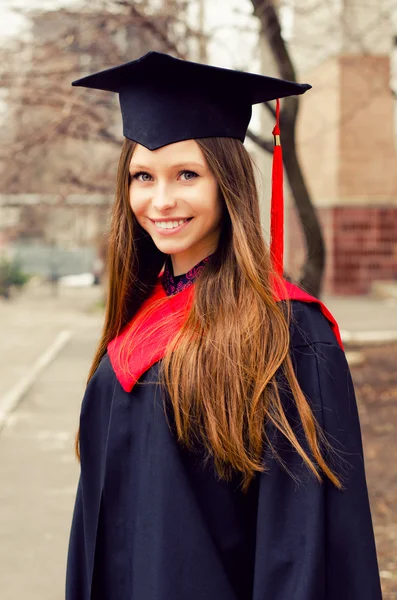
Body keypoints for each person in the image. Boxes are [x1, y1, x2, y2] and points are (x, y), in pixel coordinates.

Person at [66, 52, 382, 600]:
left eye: (187, 174)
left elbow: (299, 545)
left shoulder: (285, 332)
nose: (160, 200)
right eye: (143, 176)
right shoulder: (137, 315)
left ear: (227, 184)